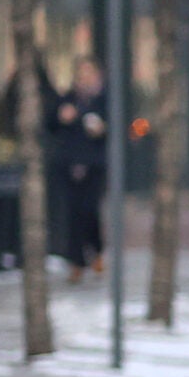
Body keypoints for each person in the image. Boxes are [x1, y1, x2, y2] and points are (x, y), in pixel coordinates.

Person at [48, 57, 109, 282]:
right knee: (73, 214)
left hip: (94, 166)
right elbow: (52, 124)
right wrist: (62, 118)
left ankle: (96, 251)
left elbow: (114, 129)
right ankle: (76, 262)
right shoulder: (68, 100)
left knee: (90, 210)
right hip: (69, 164)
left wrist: (101, 129)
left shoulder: (103, 101)